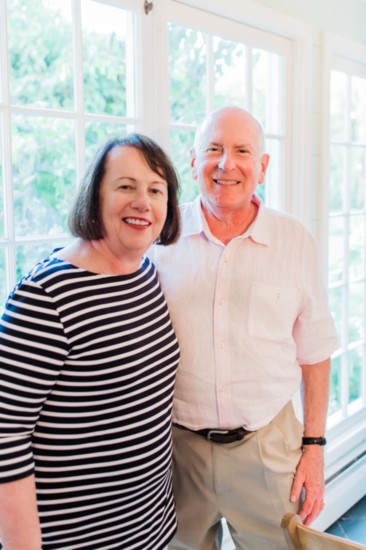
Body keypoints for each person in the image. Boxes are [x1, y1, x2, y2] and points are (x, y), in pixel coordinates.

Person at [149, 106, 339, 549]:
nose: (225, 163)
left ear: (263, 167)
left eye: (242, 151)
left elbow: (314, 351)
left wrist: (314, 448)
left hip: (269, 449)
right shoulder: (160, 237)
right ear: (193, 161)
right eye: (212, 149)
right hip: (176, 452)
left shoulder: (294, 240)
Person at [0, 134, 181, 550]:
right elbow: (6, 437)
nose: (143, 202)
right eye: (125, 186)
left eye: (156, 190)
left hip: (149, 531)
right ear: (94, 196)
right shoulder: (47, 295)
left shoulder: (146, 275)